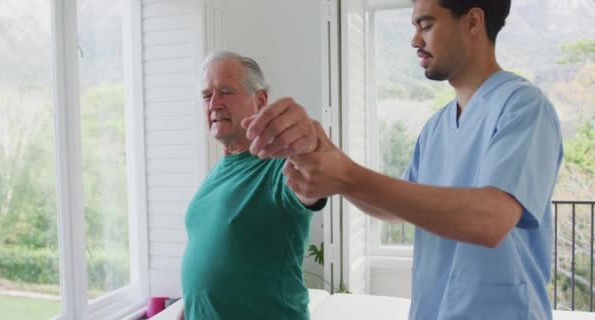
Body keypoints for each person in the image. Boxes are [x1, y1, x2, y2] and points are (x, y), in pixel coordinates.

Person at [242, 0, 563, 319]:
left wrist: (347, 175)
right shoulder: (437, 126)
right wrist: (330, 171)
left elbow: (491, 220)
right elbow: (394, 207)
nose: (414, 41)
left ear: (473, 22)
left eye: (426, 25)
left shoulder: (524, 108)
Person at [178, 51, 326, 320]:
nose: (214, 104)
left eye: (225, 91)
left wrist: (308, 151)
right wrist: (190, 307)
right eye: (206, 95)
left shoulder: (279, 166)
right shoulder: (219, 169)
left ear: (261, 100)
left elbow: (309, 185)